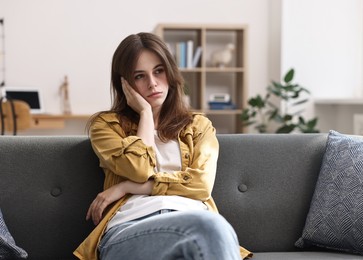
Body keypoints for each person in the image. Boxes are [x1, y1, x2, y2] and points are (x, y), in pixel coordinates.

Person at [73, 32, 252, 260]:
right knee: (212, 227)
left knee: (210, 228)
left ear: (170, 72)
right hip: (131, 227)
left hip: (195, 223)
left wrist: (128, 187)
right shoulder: (107, 126)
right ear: (124, 83)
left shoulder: (198, 126)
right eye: (139, 76)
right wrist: (146, 114)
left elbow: (201, 185)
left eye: (158, 71)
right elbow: (139, 169)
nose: (152, 83)